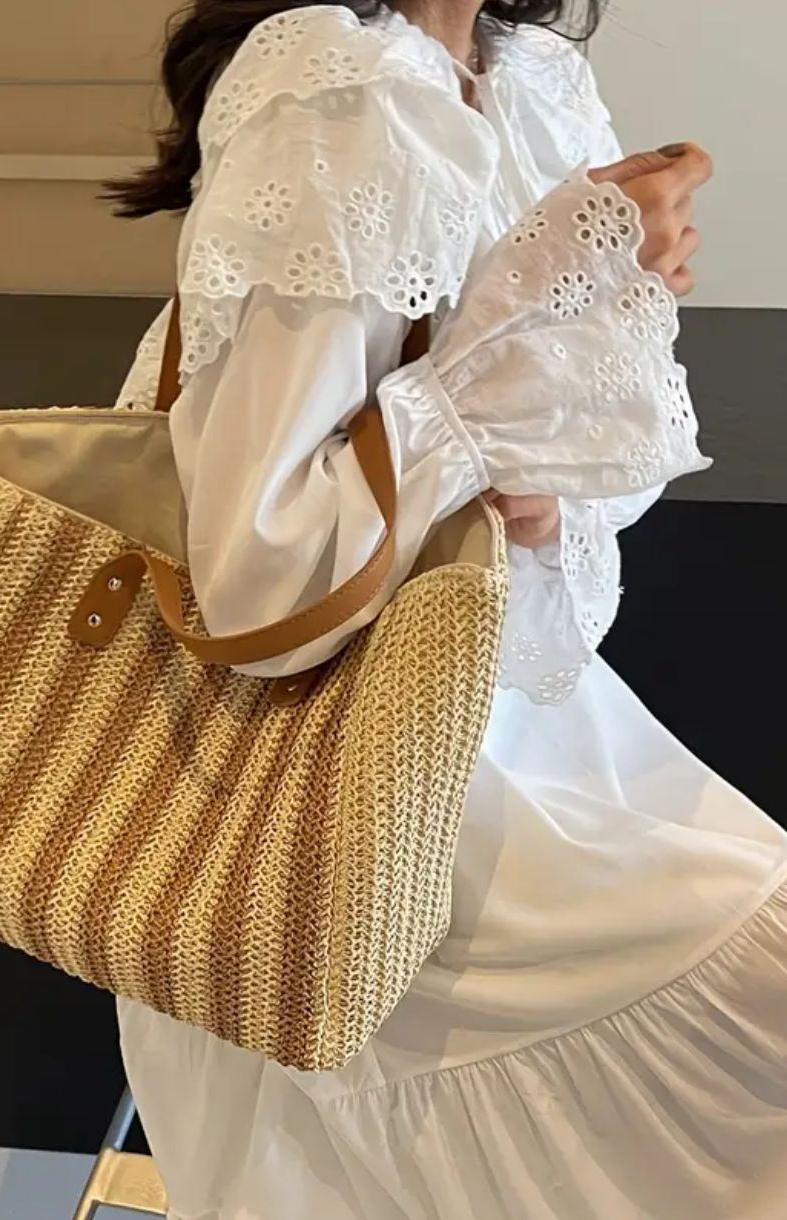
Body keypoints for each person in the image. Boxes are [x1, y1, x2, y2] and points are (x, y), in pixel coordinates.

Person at [106, 3, 787, 1217]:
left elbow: (574, 477)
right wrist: (487, 397)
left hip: (504, 722)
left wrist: (575, 349)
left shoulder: (527, 75)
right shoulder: (344, 89)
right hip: (361, 795)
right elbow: (260, 576)